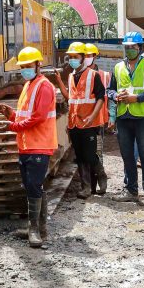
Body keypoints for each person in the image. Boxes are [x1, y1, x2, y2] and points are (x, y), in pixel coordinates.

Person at [0, 47, 58, 248]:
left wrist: (13, 126)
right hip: (26, 145)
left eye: (28, 66)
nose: (25, 69)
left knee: (34, 186)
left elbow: (38, 117)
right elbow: (26, 115)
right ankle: (39, 228)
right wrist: (12, 115)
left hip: (39, 145)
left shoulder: (44, 86)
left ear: (38, 65)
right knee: (32, 186)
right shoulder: (28, 85)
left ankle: (34, 230)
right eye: (22, 66)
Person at [109, 32, 144, 208]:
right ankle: (131, 190)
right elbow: (110, 90)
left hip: (142, 117)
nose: (130, 50)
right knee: (127, 156)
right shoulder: (117, 67)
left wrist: (137, 98)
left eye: (133, 47)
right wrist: (116, 95)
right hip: (123, 116)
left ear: (140, 48)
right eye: (127, 47)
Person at [54, 42, 108, 200]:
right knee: (80, 156)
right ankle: (85, 188)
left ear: (83, 58)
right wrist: (59, 81)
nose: (72, 60)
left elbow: (100, 98)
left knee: (90, 155)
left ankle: (101, 174)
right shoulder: (71, 76)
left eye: (75, 57)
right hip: (74, 122)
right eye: (70, 57)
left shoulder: (93, 75)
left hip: (89, 122)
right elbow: (70, 98)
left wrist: (92, 116)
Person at [83, 43, 111, 194]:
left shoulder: (104, 75)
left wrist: (111, 117)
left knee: (97, 152)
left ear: (94, 56)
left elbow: (110, 98)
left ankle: (100, 178)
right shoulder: (78, 75)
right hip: (82, 121)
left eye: (89, 55)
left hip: (98, 120)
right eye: (85, 55)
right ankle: (90, 187)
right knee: (85, 154)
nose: (87, 58)